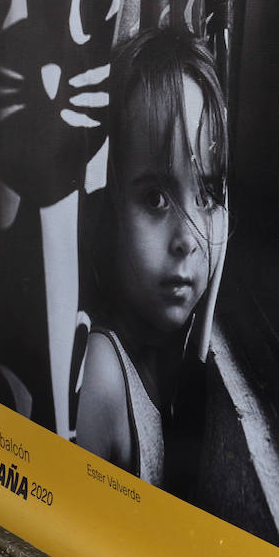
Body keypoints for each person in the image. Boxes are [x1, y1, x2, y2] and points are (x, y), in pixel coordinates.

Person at [74, 29, 228, 489]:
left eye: (207, 194)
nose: (189, 239)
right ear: (109, 206)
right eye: (156, 198)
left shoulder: (171, 357)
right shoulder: (103, 375)